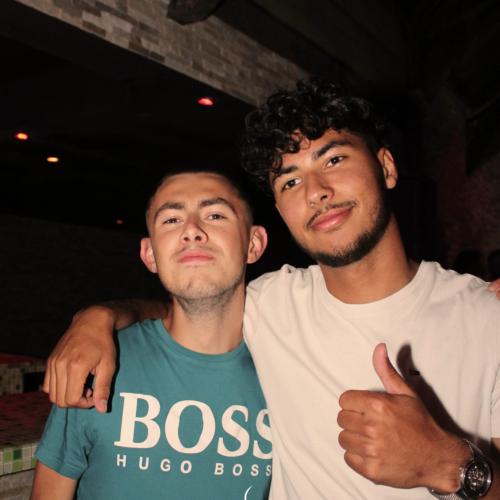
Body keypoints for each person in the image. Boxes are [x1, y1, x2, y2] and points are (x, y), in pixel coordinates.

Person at [43, 78, 500, 500]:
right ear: (280, 210)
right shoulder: (271, 303)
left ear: (386, 166)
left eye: (334, 160)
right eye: (291, 180)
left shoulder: (487, 319)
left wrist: (448, 464)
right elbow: (189, 301)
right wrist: (97, 319)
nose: (316, 191)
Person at [31, 169, 272, 500]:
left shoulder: (290, 368)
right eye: (171, 220)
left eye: (215, 215)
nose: (191, 231)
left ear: (253, 244)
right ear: (149, 254)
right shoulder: (98, 361)